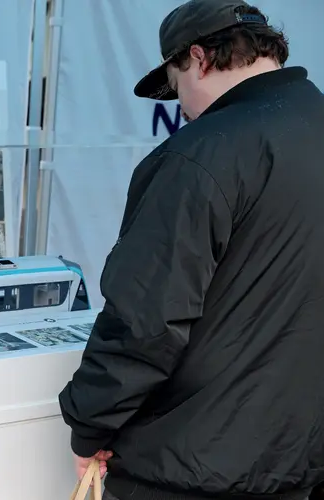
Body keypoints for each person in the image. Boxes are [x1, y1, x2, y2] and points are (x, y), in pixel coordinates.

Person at [57, 1, 324, 499]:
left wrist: (89, 423)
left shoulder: (201, 152)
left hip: (189, 467)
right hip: (299, 461)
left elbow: (146, 320)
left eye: (177, 86)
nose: (181, 106)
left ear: (199, 58)